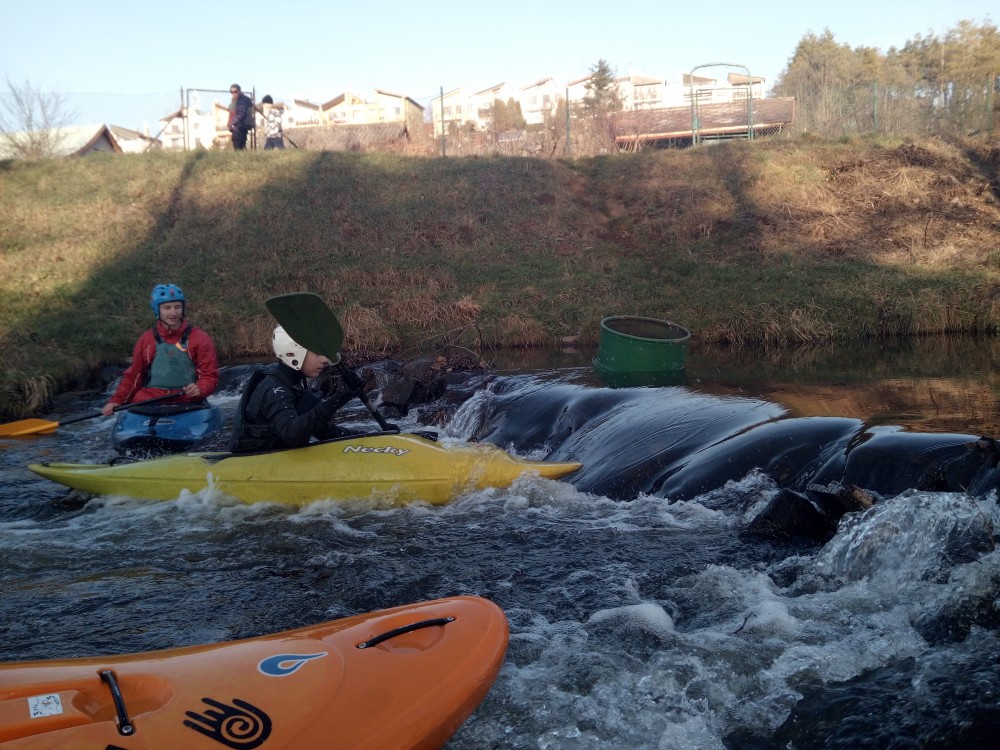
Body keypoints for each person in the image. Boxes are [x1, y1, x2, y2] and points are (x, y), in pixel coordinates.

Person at [229, 326, 365, 452]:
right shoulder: (274, 389)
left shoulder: (293, 385)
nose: (324, 360)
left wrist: (368, 436)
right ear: (293, 353)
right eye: (317, 353)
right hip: (254, 461)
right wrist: (336, 400)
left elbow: (324, 432)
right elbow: (292, 435)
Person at [101, 284, 220, 416]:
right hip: (150, 402)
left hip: (187, 402)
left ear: (183, 309)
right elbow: (133, 376)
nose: (173, 313)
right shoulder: (147, 339)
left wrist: (200, 389)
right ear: (157, 310)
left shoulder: (200, 338)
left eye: (177, 307)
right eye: (167, 308)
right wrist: (116, 400)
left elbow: (209, 376)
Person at [228, 83, 255, 150]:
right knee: (242, 149)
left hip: (238, 128)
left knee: (238, 150)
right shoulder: (242, 100)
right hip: (242, 127)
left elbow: (241, 114)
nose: (233, 93)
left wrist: (232, 123)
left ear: (239, 91)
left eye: (235, 91)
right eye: (232, 92)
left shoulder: (240, 101)